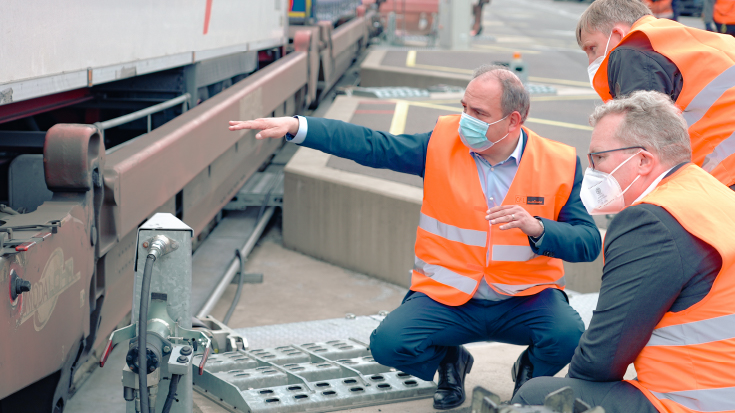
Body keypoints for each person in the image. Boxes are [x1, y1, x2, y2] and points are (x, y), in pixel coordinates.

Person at [229, 66, 601, 409]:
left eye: (479, 114)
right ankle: (450, 358)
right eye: (464, 107)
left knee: (567, 334)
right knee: (389, 344)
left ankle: (528, 375)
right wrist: (299, 126)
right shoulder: (440, 144)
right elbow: (372, 145)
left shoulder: (559, 163)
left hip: (524, 299)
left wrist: (538, 228)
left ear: (513, 121)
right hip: (450, 298)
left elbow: (587, 242)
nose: (465, 121)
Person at [513, 90, 735, 413]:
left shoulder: (650, 221)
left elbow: (601, 360)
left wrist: (571, 390)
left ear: (643, 160)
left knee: (537, 395)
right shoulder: (711, 192)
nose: (593, 171)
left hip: (697, 402)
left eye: (599, 158)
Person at [578, 0, 735, 189]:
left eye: (592, 48)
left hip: (725, 175)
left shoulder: (633, 48)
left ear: (618, 34)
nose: (591, 61)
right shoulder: (692, 41)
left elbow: (641, 141)